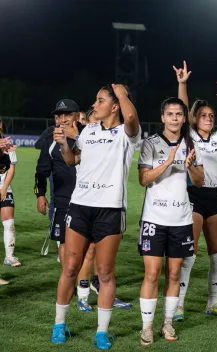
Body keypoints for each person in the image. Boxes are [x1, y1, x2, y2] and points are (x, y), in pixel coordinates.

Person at [50, 84, 141, 350]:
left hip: (110, 209)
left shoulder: (127, 133)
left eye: (101, 100)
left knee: (104, 272)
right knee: (69, 267)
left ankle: (102, 332)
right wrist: (64, 145)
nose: (94, 104)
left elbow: (132, 118)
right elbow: (72, 161)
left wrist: (122, 92)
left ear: (115, 106)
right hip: (79, 206)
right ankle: (59, 324)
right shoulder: (87, 131)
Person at [173, 61, 217, 319]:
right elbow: (181, 107)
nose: (209, 119)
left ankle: (212, 303)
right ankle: (178, 305)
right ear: (194, 119)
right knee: (189, 253)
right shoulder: (187, 133)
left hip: (215, 196)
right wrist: (182, 84)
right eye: (204, 115)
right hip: (193, 196)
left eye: (212, 116)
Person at [138, 97, 204, 345]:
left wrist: (189, 167)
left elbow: (199, 180)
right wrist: (168, 162)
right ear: (162, 117)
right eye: (170, 114)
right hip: (154, 218)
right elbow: (144, 179)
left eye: (179, 114)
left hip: (181, 219)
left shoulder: (192, 142)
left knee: (174, 273)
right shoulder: (151, 143)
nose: (174, 118)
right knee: (153, 274)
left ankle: (167, 323)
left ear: (184, 118)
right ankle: (146, 327)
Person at [34, 99, 81, 267]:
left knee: (89, 246)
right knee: (64, 242)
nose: (63, 119)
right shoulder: (51, 138)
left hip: (88, 199)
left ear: (78, 116)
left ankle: (86, 284)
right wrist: (40, 194)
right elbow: (41, 170)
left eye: (68, 114)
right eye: (59, 115)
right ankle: (68, 279)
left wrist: (77, 136)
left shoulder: (88, 134)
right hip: (62, 200)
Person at [0, 119, 19, 268]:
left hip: (4, 187)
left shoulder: (9, 145)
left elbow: (11, 168)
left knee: (9, 222)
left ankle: (9, 256)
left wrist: (4, 188)